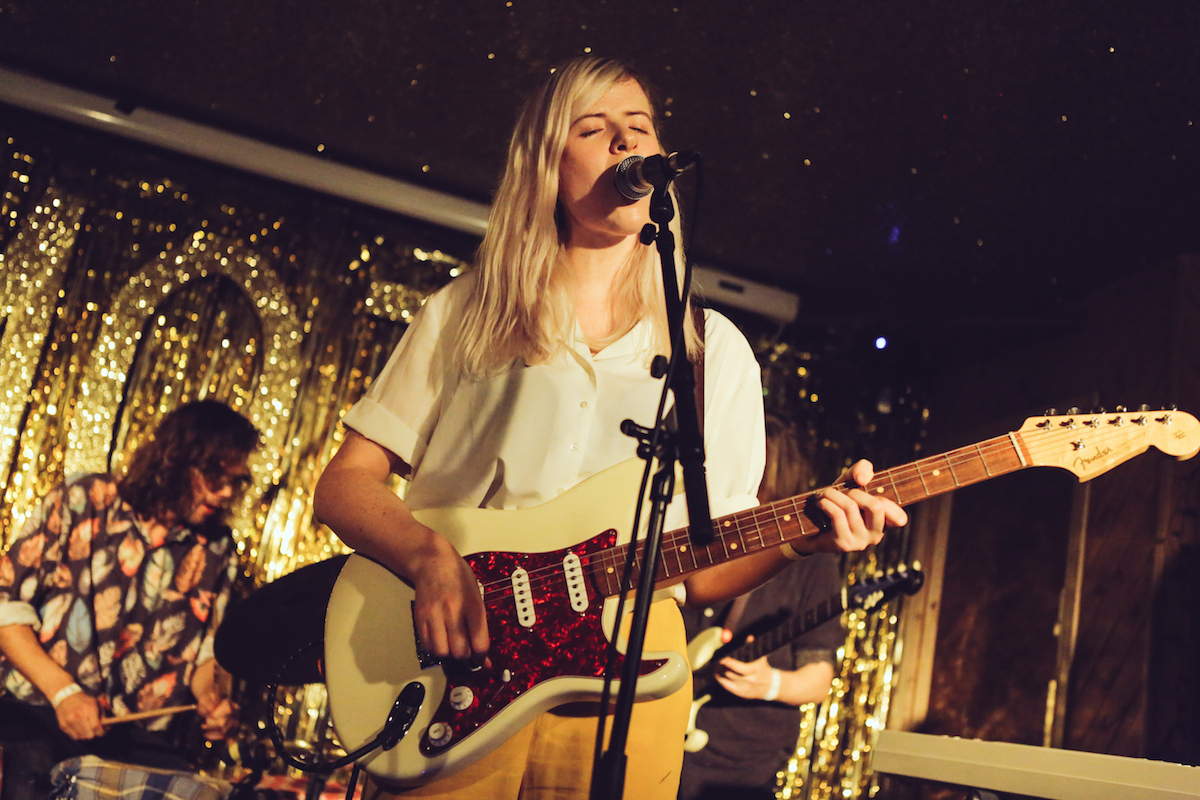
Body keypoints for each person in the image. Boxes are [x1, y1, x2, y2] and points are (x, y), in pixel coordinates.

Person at [313, 56, 906, 800]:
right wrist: (430, 558)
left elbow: (708, 564)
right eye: (596, 130)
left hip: (630, 681)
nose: (628, 145)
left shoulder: (710, 351)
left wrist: (799, 536)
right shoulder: (466, 313)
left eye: (641, 129)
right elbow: (345, 484)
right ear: (547, 166)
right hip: (459, 661)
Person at [0, 400, 258, 800]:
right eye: (214, 476)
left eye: (236, 482)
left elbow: (208, 652)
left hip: (133, 732)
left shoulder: (217, 548)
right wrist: (64, 693)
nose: (225, 493)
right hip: (38, 711)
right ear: (175, 459)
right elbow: (5, 607)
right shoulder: (84, 498)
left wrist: (211, 698)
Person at [677, 413, 842, 800]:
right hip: (652, 738)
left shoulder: (812, 562)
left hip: (737, 769)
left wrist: (770, 684)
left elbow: (819, 676)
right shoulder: (693, 537)